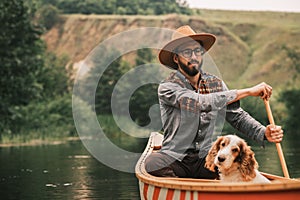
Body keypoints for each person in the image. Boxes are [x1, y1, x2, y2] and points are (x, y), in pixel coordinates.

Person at [144, 25, 284, 179]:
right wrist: (248, 91)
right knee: (152, 163)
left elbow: (236, 116)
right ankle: (179, 187)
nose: (194, 57)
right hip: (175, 158)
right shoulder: (167, 87)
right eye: (187, 52)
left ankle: (217, 184)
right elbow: (199, 103)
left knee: (231, 165)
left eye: (197, 51)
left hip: (206, 159)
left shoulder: (216, 84)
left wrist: (263, 132)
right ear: (176, 58)